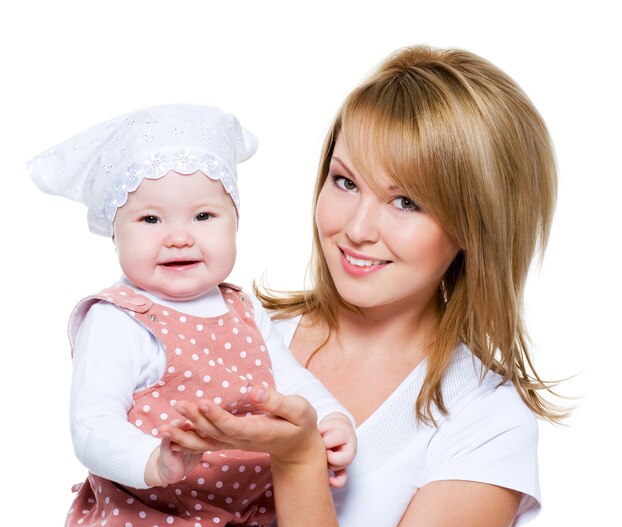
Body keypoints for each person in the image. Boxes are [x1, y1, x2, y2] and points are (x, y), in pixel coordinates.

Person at [164, 45, 567, 526]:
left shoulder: (487, 424)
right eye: (346, 182)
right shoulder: (236, 332)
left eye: (406, 202)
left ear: (475, 226)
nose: (357, 229)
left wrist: (297, 461)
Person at [27, 104, 356, 527]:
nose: (179, 237)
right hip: (152, 512)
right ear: (115, 233)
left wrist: (331, 419)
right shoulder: (119, 320)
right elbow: (92, 425)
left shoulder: (242, 307)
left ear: (235, 222)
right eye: (150, 218)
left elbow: (289, 380)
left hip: (250, 512)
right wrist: (152, 462)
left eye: (203, 216)